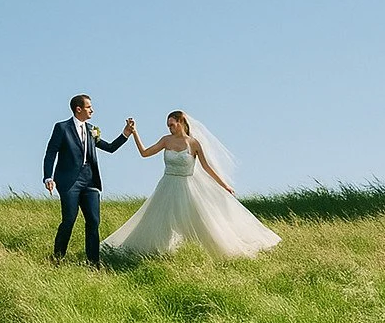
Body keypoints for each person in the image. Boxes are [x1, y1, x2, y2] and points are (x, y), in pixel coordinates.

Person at [102, 111, 281, 259]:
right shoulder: (166, 140)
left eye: (172, 124)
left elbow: (207, 167)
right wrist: (134, 133)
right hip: (167, 186)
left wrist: (224, 185)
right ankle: (158, 254)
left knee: (202, 221)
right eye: (168, 125)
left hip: (187, 187)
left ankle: (214, 253)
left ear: (181, 122)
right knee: (160, 221)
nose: (170, 128)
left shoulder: (194, 144)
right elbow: (144, 153)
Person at [43, 94, 133, 268]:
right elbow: (50, 153)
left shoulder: (92, 129)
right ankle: (58, 258)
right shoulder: (62, 128)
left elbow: (109, 148)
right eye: (88, 107)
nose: (92, 110)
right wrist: (48, 176)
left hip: (90, 180)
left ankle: (93, 263)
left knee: (93, 221)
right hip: (69, 181)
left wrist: (125, 134)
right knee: (69, 219)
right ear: (78, 109)